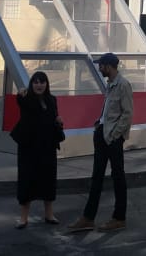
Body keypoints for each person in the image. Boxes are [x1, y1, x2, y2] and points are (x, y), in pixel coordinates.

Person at [68, 52, 133, 233]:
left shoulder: (123, 85)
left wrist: (114, 135)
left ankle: (119, 218)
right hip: (102, 135)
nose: (99, 68)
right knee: (96, 177)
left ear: (109, 66)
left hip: (112, 138)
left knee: (118, 177)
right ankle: (88, 218)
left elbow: (127, 114)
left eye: (101, 65)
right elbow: (109, 111)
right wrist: (99, 125)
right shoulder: (110, 84)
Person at [12, 71, 63, 229]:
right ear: (31, 84)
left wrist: (58, 121)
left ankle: (49, 214)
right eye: (36, 82)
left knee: (48, 180)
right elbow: (20, 100)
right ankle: (23, 218)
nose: (39, 85)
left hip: (47, 146)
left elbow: (54, 117)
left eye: (42, 82)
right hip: (29, 147)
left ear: (47, 84)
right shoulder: (26, 98)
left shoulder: (52, 100)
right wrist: (21, 93)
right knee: (27, 180)